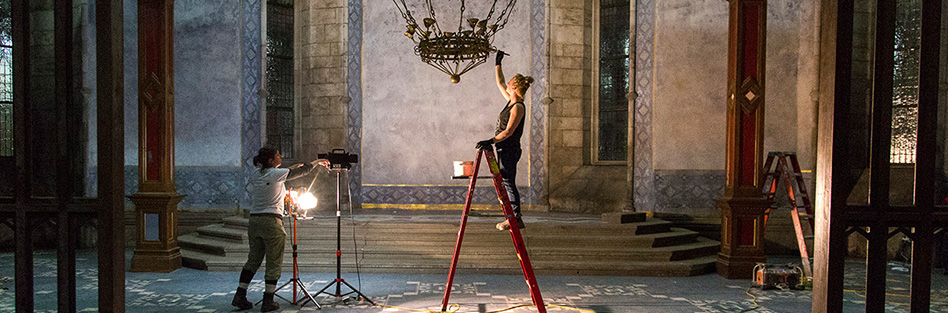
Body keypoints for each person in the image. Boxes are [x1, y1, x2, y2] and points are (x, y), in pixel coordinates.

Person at [232, 147, 326, 311]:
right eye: (277, 155)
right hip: (271, 222)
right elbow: (303, 172)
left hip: (254, 221)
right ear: (270, 160)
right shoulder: (276, 174)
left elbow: (278, 174)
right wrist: (317, 162)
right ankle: (268, 300)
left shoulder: (257, 174)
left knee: (253, 260)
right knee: (274, 262)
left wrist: (290, 168)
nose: (280, 156)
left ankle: (240, 294)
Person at [476, 50, 534, 231]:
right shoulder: (510, 101)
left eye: (510, 83)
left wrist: (490, 140)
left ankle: (515, 218)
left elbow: (508, 131)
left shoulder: (518, 107)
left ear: (515, 86)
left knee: (508, 182)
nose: (507, 84)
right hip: (502, 149)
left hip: (509, 150)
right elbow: (499, 82)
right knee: (504, 182)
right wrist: (497, 63)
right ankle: (512, 216)